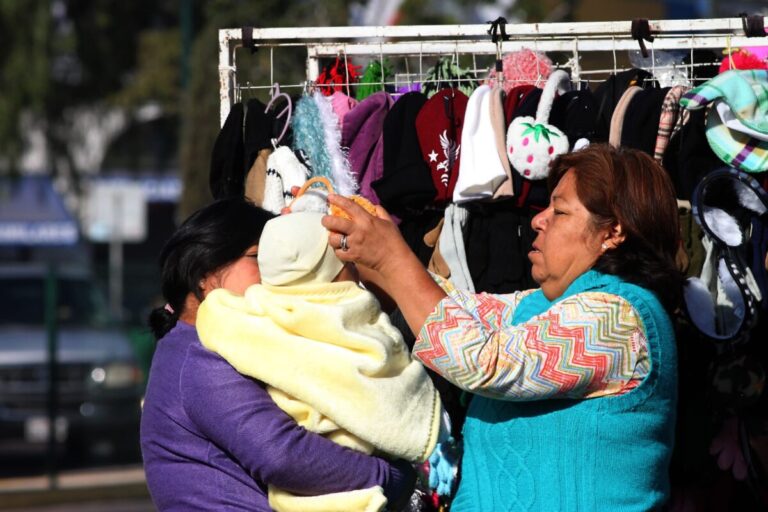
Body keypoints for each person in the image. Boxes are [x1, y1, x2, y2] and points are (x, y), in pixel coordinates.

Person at [322, 144, 681, 511]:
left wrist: (392, 258)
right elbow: (459, 312)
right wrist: (367, 255)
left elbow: (483, 359)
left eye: (559, 210)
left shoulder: (620, 318)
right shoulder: (541, 305)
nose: (539, 220)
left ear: (613, 232)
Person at [140, 198, 415, 511]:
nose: (275, 274)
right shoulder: (200, 358)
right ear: (204, 274)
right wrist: (392, 477)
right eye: (259, 258)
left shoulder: (211, 345)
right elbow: (283, 455)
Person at [195, 210, 445, 512]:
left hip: (304, 496)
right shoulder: (345, 317)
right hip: (357, 477)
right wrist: (416, 447)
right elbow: (383, 391)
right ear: (335, 266)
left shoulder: (248, 318)